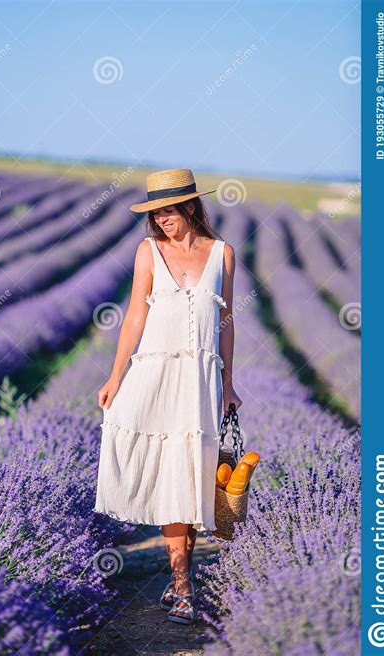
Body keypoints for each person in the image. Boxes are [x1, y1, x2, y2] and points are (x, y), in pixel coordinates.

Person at [94, 168, 242, 624]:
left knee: (193, 481)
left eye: (169, 212)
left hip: (199, 379)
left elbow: (226, 322)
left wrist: (228, 383)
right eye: (156, 213)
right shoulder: (148, 252)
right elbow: (135, 315)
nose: (162, 221)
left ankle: (182, 583)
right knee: (168, 478)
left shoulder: (222, 254)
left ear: (191, 207)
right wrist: (116, 375)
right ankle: (182, 586)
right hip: (154, 374)